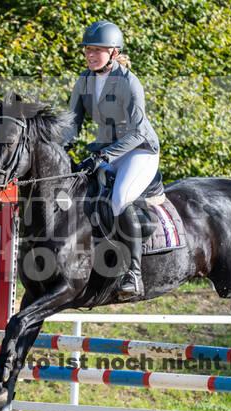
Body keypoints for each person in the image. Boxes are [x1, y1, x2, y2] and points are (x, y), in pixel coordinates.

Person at [62, 21, 160, 298]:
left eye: (97, 51)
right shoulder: (84, 80)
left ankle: (134, 274)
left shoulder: (130, 82)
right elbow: (73, 123)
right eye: (87, 50)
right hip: (106, 150)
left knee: (119, 198)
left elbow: (138, 132)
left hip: (139, 150)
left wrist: (104, 156)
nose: (90, 55)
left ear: (114, 53)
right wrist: (61, 147)